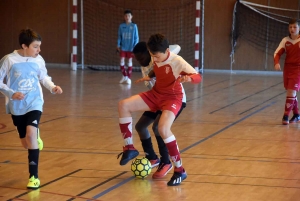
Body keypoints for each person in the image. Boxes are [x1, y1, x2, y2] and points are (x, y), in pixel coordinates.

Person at [117, 33, 202, 186]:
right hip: (156, 94)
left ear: (166, 51)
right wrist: (150, 76)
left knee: (162, 128)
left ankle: (179, 170)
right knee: (124, 105)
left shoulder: (177, 61)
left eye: (156, 56)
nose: (153, 59)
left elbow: (198, 77)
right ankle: (129, 147)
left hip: (173, 98)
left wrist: (189, 78)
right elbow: (158, 68)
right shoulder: (157, 56)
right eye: (152, 55)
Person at [0, 28, 63, 189]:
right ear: (24, 46)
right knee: (26, 143)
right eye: (35, 46)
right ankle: (34, 134)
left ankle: (33, 177)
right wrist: (11, 93)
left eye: (39, 46)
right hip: (16, 106)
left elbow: (44, 77)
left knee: (31, 134)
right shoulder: (9, 60)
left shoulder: (38, 60)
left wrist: (53, 87)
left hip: (34, 102)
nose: (39, 50)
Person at [132, 42, 186, 179]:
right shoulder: (145, 68)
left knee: (157, 127)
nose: (140, 61)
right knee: (140, 126)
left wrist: (160, 50)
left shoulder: (161, 59)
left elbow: (176, 47)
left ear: (150, 54)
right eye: (137, 59)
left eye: (142, 58)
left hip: (174, 99)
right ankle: (152, 158)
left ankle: (166, 162)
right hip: (157, 99)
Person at [274, 18, 300, 125]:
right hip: (287, 69)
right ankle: (297, 114)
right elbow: (277, 53)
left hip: (298, 69)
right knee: (291, 92)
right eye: (290, 27)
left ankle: (285, 116)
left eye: (295, 27)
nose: (292, 29)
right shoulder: (285, 40)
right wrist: (276, 62)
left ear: (299, 28)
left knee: (291, 91)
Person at [117, 9, 139, 85]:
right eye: (126, 16)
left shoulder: (134, 26)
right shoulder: (121, 26)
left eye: (129, 16)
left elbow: (136, 37)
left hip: (131, 47)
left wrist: (135, 46)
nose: (127, 17)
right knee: (121, 61)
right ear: (124, 17)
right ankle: (124, 76)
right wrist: (118, 45)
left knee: (129, 61)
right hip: (123, 47)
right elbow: (119, 37)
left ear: (131, 17)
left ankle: (129, 78)